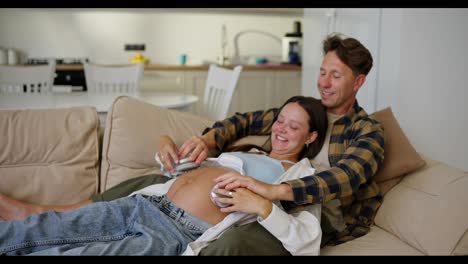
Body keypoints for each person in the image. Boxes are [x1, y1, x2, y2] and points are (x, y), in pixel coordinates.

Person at [0, 96, 328, 256]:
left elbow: (306, 240)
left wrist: (261, 205)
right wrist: (166, 146)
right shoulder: (247, 152)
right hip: (145, 204)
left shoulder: (302, 179)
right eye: (280, 120)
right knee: (41, 228)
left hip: (176, 233)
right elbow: (181, 171)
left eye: (294, 126)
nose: (282, 130)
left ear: (311, 137)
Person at [180, 32, 385, 254]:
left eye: (335, 75)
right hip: (273, 202)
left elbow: (347, 177)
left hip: (313, 214)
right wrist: (206, 140)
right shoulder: (308, 112)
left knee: (229, 242)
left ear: (358, 82)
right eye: (322, 72)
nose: (323, 83)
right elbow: (245, 121)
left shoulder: (367, 130)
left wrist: (274, 191)